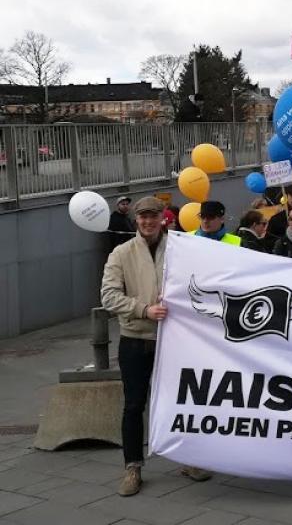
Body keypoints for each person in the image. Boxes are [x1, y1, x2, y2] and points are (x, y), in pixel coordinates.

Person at [100, 197, 211, 496]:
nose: (148, 222)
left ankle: (186, 459)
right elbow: (108, 297)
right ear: (136, 220)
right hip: (136, 339)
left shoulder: (180, 247)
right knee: (134, 405)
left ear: (162, 218)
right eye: (142, 217)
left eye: (153, 217)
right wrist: (143, 309)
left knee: (181, 402)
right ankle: (132, 467)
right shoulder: (121, 253)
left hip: (174, 339)